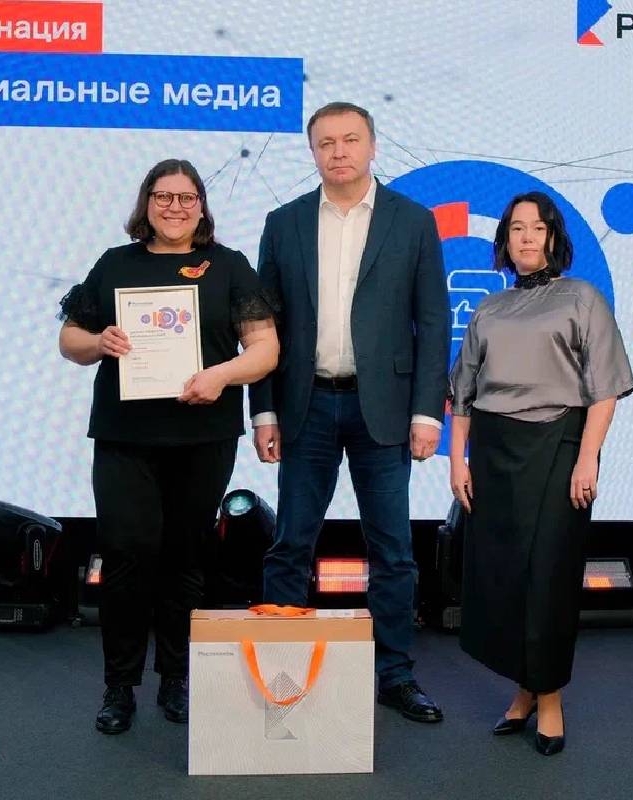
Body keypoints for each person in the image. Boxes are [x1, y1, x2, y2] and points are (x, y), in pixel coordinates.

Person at [58, 158, 279, 735]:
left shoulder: (229, 266)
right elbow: (69, 338)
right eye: (163, 196)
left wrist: (221, 375)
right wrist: (98, 342)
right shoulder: (115, 263)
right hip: (125, 436)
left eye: (186, 197)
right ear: (146, 203)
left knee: (185, 558)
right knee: (126, 556)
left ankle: (177, 677)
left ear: (201, 206)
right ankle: (120, 684)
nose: (174, 207)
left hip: (202, 436)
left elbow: (265, 350)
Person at [249, 102, 450, 722]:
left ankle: (395, 674)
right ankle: (280, 673)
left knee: (393, 551)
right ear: (312, 151)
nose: (339, 151)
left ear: (372, 146)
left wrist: (428, 412)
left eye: (350, 140)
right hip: (304, 404)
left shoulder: (412, 221)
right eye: (326, 142)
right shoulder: (283, 223)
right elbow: (261, 325)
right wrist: (263, 412)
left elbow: (433, 322)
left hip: (384, 408)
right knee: (290, 544)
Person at [448, 191, 633, 755]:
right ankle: (524, 689)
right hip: (493, 450)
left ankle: (549, 697)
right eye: (516, 228)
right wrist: (457, 460)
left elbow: (605, 389)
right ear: (504, 240)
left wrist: (588, 457)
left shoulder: (582, 298)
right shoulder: (489, 309)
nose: (526, 237)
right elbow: (463, 394)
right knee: (504, 576)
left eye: (537, 227)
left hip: (559, 444)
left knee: (549, 574)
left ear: (554, 236)